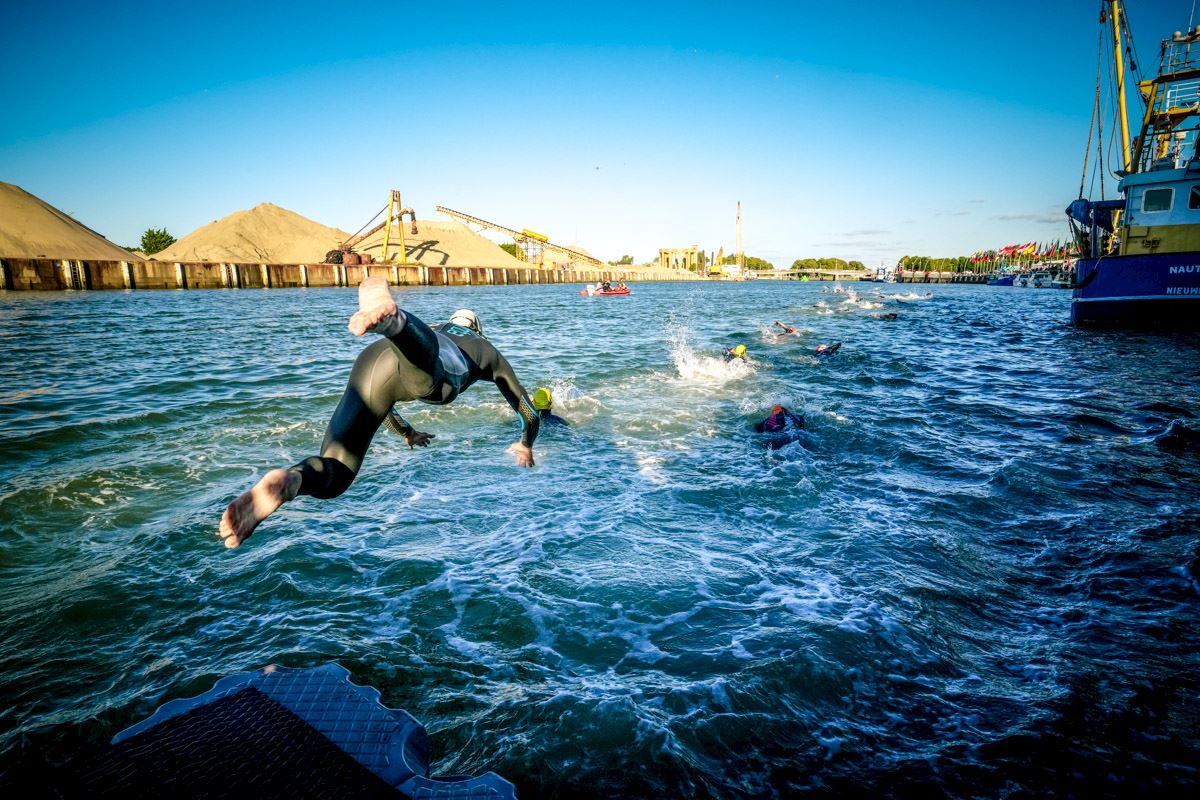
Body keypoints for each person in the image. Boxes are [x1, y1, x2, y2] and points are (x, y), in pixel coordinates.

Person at [218, 277, 540, 549]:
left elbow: (386, 407)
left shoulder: (437, 327)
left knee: (337, 471)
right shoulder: (488, 351)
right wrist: (526, 444)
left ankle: (293, 479)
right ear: (478, 329)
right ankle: (393, 321)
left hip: (372, 362)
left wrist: (406, 432)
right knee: (432, 370)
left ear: (452, 321)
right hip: (428, 360)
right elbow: (529, 412)